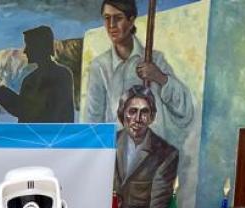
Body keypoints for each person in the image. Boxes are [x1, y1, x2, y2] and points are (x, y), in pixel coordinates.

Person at [83, 0, 194, 146]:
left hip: (152, 155)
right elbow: (93, 120)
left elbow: (185, 111)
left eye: (118, 18)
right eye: (107, 18)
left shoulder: (155, 60)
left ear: (131, 20)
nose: (111, 25)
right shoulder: (100, 67)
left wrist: (159, 77)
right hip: (116, 154)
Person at [113, 86, 179, 208]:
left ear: (152, 117)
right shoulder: (107, 143)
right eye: (132, 111)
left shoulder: (166, 154)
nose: (137, 118)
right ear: (122, 114)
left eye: (144, 112)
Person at [0, 26, 75, 124]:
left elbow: (25, 109)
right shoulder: (32, 78)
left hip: (47, 137)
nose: (25, 51)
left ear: (39, 47)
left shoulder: (60, 76)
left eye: (28, 45)